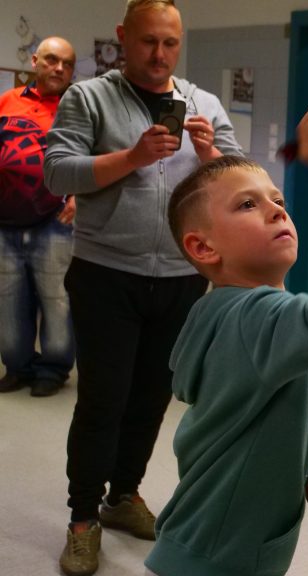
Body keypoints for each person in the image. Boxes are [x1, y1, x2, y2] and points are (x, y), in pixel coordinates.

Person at [43, 1, 242, 574]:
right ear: (123, 38)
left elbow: (242, 181)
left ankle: (123, 495)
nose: (160, 55)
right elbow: (57, 171)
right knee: (102, 400)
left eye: (170, 43)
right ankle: (83, 519)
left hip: (181, 276)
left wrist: (211, 156)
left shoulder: (203, 104)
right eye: (149, 41)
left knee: (153, 397)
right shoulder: (88, 98)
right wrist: (131, 157)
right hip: (106, 273)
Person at [145, 103, 308, 576]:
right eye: (247, 205)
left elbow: (262, 411)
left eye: (277, 200)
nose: (275, 210)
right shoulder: (253, 318)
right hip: (216, 563)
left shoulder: (243, 316)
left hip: (209, 550)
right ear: (203, 247)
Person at [0, 37, 77, 397]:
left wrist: (80, 196)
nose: (59, 68)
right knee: (8, 299)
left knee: (56, 299)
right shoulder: (7, 101)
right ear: (35, 61)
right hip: (4, 221)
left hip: (54, 220)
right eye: (51, 60)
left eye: (67, 63)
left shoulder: (77, 109)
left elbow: (94, 159)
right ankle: (18, 366)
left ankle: (53, 369)